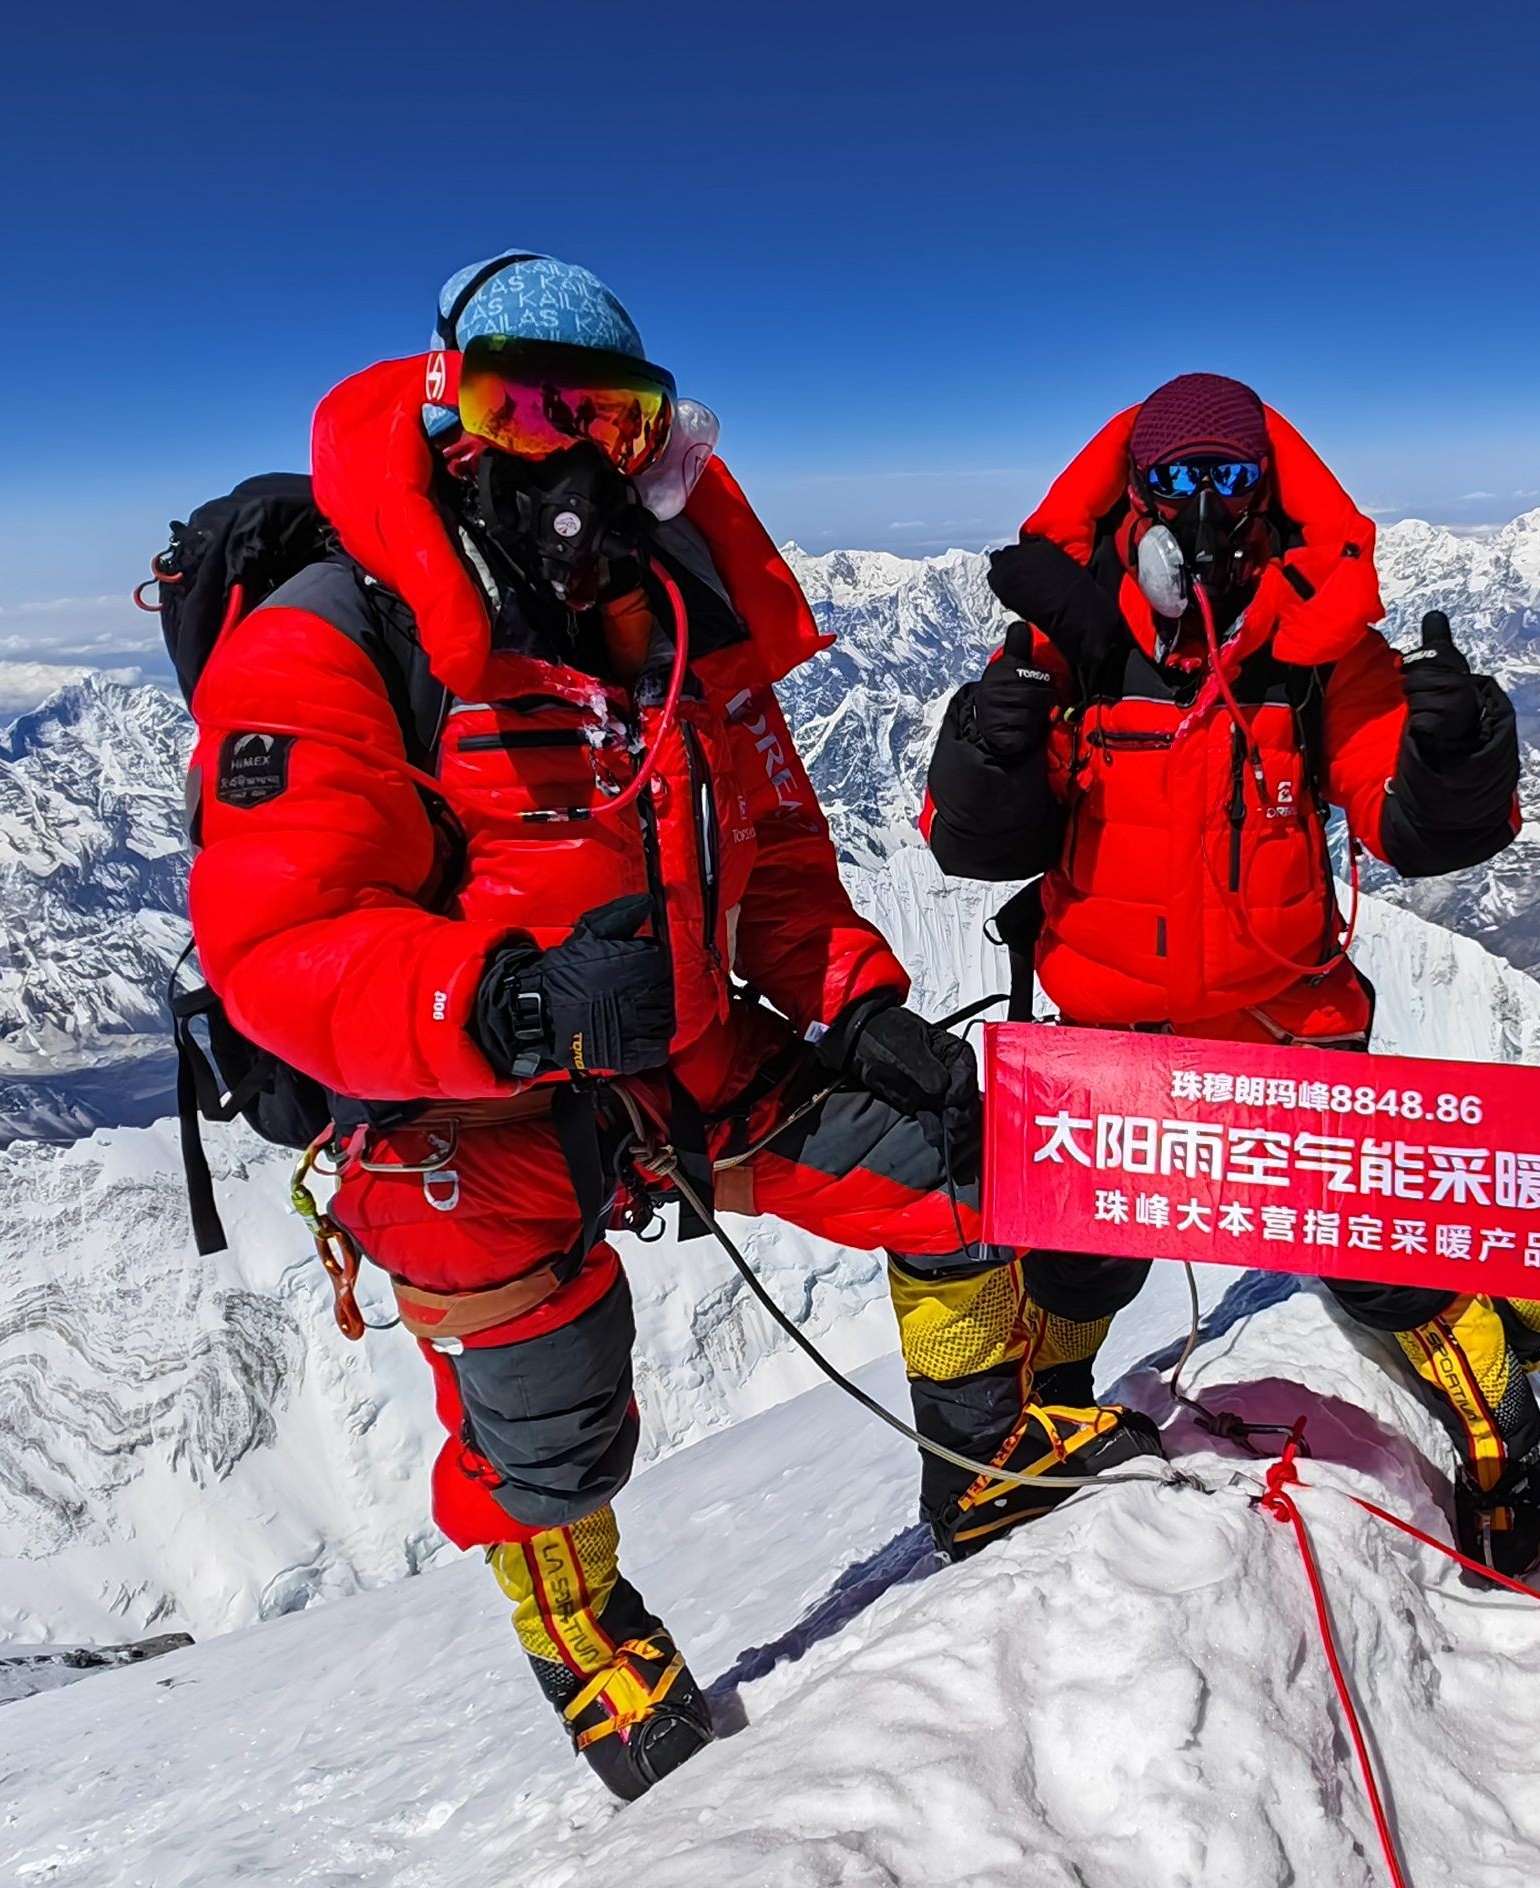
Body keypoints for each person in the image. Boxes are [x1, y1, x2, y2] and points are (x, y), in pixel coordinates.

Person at [183, 253, 1007, 1801]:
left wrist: (858, 1001)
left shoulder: (673, 622)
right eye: (527, 408)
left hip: (684, 1053)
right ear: (452, 415)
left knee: (953, 1172)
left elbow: (776, 855)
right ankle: (589, 1643)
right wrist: (505, 1005)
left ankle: (984, 1472)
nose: (572, 456)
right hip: (460, 1106)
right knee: (546, 1419)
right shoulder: (329, 633)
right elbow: (277, 946)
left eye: (613, 421)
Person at [919, 373, 1540, 1571]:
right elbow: (970, 839)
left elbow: (1406, 820)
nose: (1204, 503)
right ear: (1135, 496)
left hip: (1282, 1018)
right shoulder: (1069, 644)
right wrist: (987, 752)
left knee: (1371, 1257)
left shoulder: (1317, 649)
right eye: (1177, 478)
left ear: (1268, 493)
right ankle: (1048, 1431)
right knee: (1076, 1258)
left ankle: (1503, 1436)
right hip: (1115, 1025)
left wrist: (1457, 756)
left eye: (1229, 476)